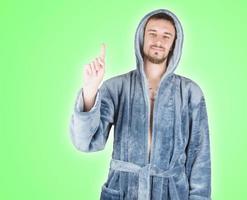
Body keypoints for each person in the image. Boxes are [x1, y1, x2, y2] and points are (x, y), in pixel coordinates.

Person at [69, 8, 211, 200]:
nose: (158, 41)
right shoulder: (116, 87)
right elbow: (86, 142)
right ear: (141, 38)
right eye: (152, 33)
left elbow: (199, 157)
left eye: (166, 36)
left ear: (174, 44)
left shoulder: (190, 92)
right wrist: (90, 90)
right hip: (123, 191)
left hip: (172, 193)